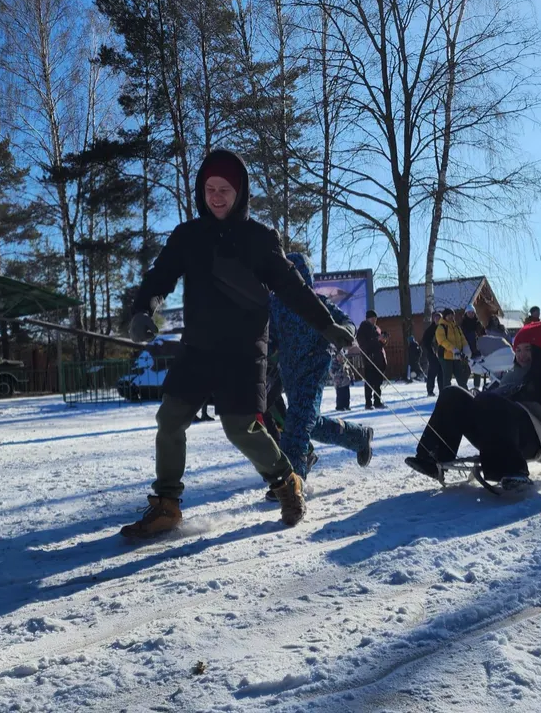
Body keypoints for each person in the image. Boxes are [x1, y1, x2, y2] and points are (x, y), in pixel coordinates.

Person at [121, 149, 355, 537]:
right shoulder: (188, 237)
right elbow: (159, 276)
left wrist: (328, 325)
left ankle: (286, 481)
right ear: (201, 190)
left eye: (225, 189)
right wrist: (143, 310)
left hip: (244, 351)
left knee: (239, 427)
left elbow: (293, 289)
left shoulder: (260, 240)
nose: (216, 196)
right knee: (170, 418)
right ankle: (167, 504)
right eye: (210, 188)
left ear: (240, 191)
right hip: (198, 347)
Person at [405, 320, 541, 490]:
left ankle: (514, 471)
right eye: (517, 350)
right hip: (500, 436)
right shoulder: (514, 374)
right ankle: (432, 457)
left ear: (540, 349)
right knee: (452, 394)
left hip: (535, 436)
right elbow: (490, 402)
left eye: (527, 349)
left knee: (491, 401)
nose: (521, 355)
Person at [268, 252, 374, 493]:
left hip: (314, 369)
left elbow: (346, 321)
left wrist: (345, 330)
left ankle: (290, 484)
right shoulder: (276, 305)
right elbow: (269, 337)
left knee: (297, 423)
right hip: (290, 373)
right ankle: (358, 437)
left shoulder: (317, 303)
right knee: (310, 423)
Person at [357, 310, 386, 409]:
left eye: (375, 319)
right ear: (368, 318)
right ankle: (368, 403)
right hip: (369, 359)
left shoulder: (377, 328)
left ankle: (377, 401)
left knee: (378, 382)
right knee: (369, 381)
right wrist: (376, 340)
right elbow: (363, 344)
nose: (374, 320)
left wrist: (383, 341)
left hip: (379, 358)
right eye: (372, 318)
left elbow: (379, 345)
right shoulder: (363, 328)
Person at [435, 308, 471, 389]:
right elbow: (442, 341)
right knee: (447, 379)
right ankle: (447, 396)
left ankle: (466, 395)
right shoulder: (441, 327)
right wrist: (453, 349)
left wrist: (466, 347)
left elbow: (462, 338)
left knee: (461, 378)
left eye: (452, 315)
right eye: (449, 315)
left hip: (457, 356)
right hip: (446, 357)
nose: (451, 317)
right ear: (445, 316)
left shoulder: (456, 327)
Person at [460, 304, 485, 390]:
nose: (471, 314)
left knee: (477, 370)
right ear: (466, 314)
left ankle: (476, 387)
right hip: (466, 350)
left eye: (472, 312)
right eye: (469, 313)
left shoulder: (478, 324)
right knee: (466, 370)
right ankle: (463, 387)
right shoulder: (462, 325)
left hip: (477, 350)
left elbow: (483, 335)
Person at [421, 311, 444, 396]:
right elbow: (425, 341)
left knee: (441, 372)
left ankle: (442, 390)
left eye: (439, 318)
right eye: (436, 318)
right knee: (432, 372)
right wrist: (431, 351)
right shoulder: (430, 329)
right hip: (432, 354)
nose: (437, 319)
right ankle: (430, 390)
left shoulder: (443, 328)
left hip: (442, 353)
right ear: (433, 319)